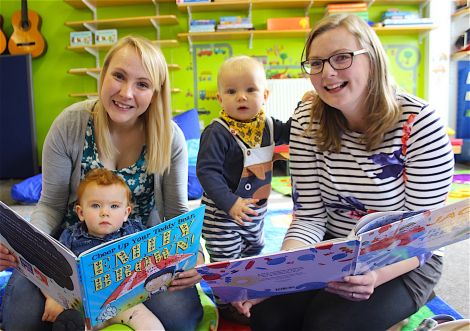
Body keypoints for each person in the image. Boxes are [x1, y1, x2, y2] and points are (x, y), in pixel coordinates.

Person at [234, 14, 455, 330]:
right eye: (317, 63)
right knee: (267, 318)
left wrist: (375, 277)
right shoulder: (307, 118)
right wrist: (280, 276)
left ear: (373, 60)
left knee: (328, 324)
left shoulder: (420, 124)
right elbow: (309, 216)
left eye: (342, 58)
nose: (328, 73)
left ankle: (403, 310)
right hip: (334, 251)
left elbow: (426, 234)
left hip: (405, 258)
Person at [0, 35, 203, 331]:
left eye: (142, 84)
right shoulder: (70, 124)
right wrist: (26, 250)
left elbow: (177, 213)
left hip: (139, 258)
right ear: (103, 73)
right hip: (71, 254)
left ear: (156, 92)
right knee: (19, 318)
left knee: (182, 318)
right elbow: (51, 206)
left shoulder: (170, 137)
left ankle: (112, 309)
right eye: (118, 76)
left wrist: (196, 255)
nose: (126, 92)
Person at [196, 55, 290, 323]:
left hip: (256, 210)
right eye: (231, 91)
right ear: (219, 98)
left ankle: (246, 290)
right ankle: (226, 301)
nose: (241, 97)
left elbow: (297, 130)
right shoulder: (218, 131)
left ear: (265, 94)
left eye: (250, 90)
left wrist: (308, 109)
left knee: (254, 248)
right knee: (227, 257)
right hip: (222, 214)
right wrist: (230, 202)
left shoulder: (270, 125)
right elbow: (207, 171)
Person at [44, 168, 165, 331]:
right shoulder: (71, 237)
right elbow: (52, 269)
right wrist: (53, 298)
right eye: (95, 205)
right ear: (80, 212)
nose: (105, 212)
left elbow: (154, 255)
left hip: (125, 304)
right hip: (84, 309)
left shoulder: (135, 232)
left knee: (149, 324)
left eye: (114, 206)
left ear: (126, 213)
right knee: (73, 322)